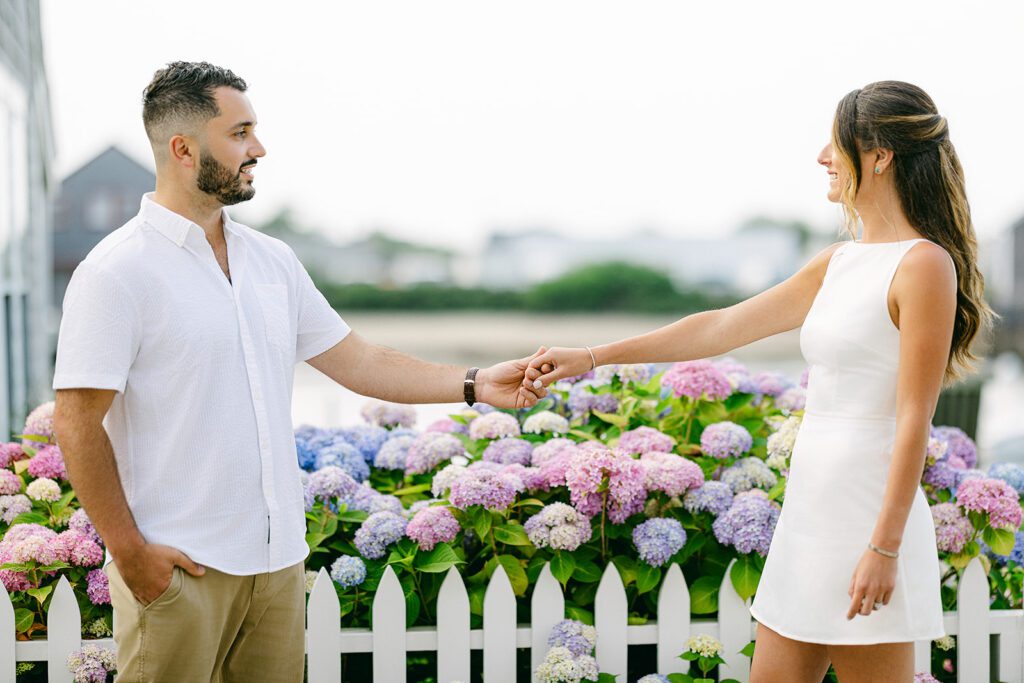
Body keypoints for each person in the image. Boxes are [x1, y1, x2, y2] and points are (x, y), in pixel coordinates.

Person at [51, 61, 545, 683]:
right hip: (179, 572)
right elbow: (76, 422)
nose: (259, 148)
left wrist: (474, 383)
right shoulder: (115, 272)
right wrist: (131, 554)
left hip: (277, 567)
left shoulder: (272, 260)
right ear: (183, 148)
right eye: (240, 133)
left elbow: (358, 361)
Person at [525, 81, 995, 682]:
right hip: (809, 509)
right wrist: (591, 356)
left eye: (836, 141)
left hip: (870, 516)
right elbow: (719, 327)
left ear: (879, 155)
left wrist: (884, 548)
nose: (823, 156)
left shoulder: (925, 264)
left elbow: (913, 418)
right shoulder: (838, 262)